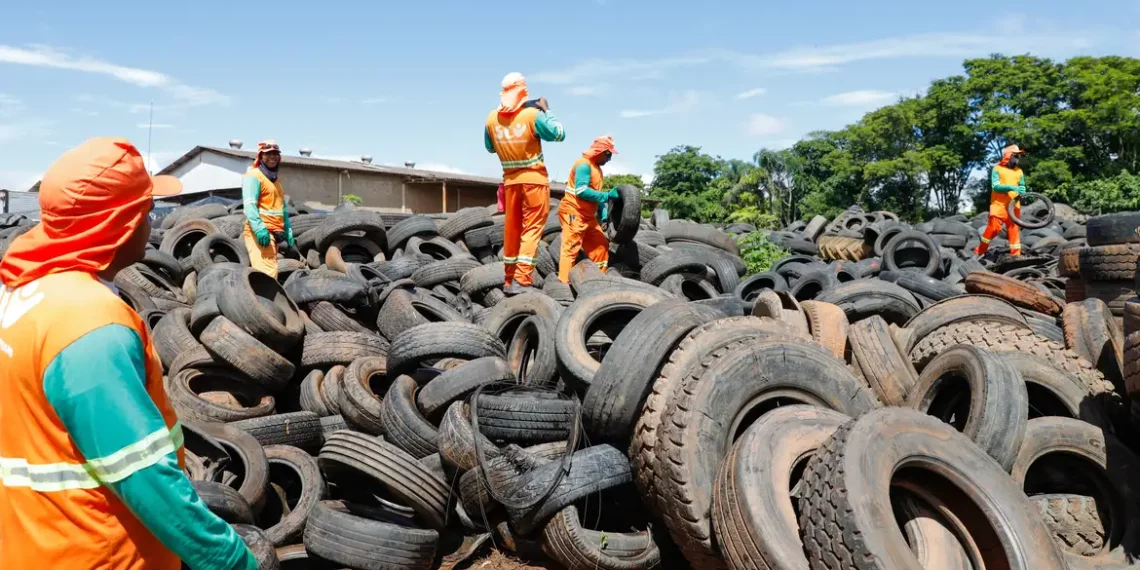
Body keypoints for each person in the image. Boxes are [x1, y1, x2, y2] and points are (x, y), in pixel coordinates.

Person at [0, 138, 258, 570]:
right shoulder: (91, 324)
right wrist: (231, 560)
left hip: (36, 543)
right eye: (145, 210)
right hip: (101, 553)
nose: (151, 222)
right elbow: (142, 477)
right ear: (121, 225)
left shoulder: (24, 294)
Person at [484, 72, 566, 295]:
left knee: (512, 230)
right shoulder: (532, 116)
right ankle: (522, 278)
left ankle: (509, 279)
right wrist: (547, 110)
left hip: (510, 183)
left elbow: (490, 147)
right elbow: (559, 134)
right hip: (534, 182)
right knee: (531, 229)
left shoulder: (491, 119)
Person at [558, 136, 620, 283]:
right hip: (573, 212)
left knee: (601, 245)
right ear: (600, 151)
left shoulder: (597, 169)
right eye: (609, 154)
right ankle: (563, 288)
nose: (610, 158)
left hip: (588, 216)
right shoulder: (584, 165)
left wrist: (603, 214)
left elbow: (594, 195)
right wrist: (607, 196)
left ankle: (597, 281)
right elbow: (582, 191)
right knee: (571, 249)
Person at [242, 139, 294, 278]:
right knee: (267, 275)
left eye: (275, 153)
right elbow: (249, 205)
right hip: (261, 232)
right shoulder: (254, 176)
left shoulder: (275, 180)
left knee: (269, 271)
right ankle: (262, 300)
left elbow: (281, 208)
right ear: (260, 156)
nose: (272, 156)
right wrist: (259, 229)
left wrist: (287, 229)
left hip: (275, 232)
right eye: (268, 153)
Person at [974, 144, 1028, 257]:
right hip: (999, 205)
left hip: (1014, 206)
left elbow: (1022, 186)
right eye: (1016, 156)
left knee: (1014, 232)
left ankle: (1016, 256)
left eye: (1019, 156)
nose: (1018, 158)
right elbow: (995, 186)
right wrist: (1011, 187)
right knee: (993, 229)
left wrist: (1022, 191)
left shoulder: (1019, 171)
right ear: (1009, 156)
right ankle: (980, 251)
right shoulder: (997, 169)